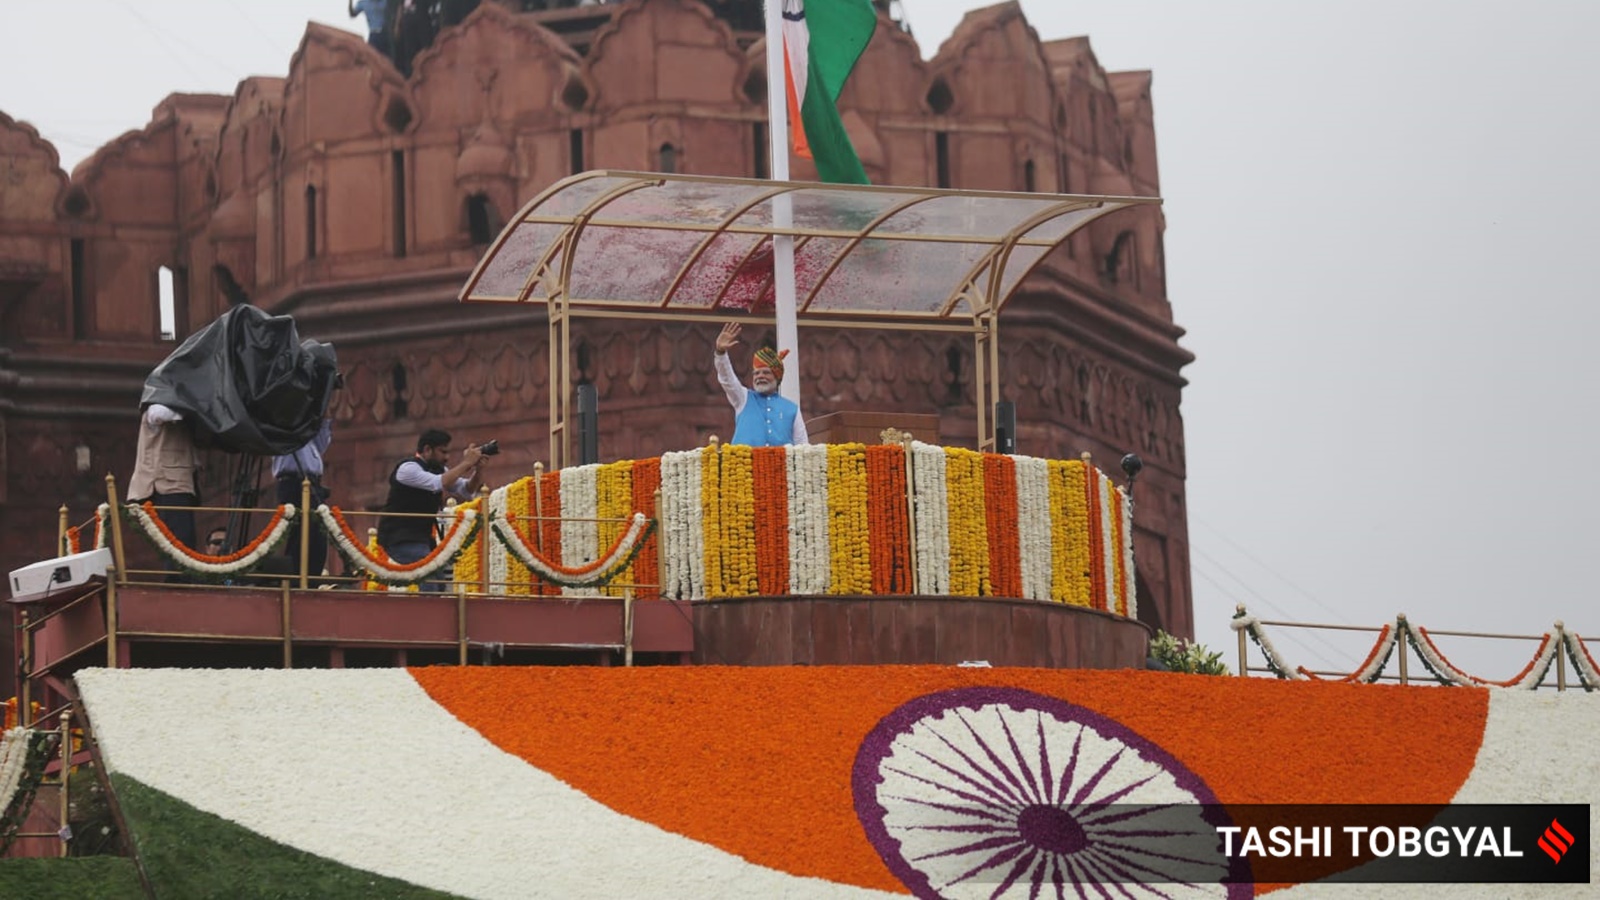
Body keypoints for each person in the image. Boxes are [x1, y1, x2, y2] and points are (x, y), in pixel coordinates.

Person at [376, 429, 486, 590]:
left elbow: (466, 490)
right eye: (443, 452)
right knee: (430, 577)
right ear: (427, 450)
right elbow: (438, 483)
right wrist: (467, 463)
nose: (446, 458)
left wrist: (479, 469)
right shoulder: (407, 469)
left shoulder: (439, 470)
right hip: (398, 538)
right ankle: (429, 614)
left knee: (440, 583)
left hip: (421, 538)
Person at [127, 403, 201, 577]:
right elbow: (162, 414)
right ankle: (177, 581)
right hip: (166, 484)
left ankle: (182, 579)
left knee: (184, 539)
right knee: (178, 539)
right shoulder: (156, 409)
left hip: (179, 483)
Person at [714, 322, 809, 447]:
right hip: (743, 465)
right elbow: (727, 379)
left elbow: (803, 446)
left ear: (777, 376)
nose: (760, 376)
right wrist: (721, 353)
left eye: (766, 372)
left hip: (780, 466)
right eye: (756, 373)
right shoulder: (743, 398)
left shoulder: (792, 409)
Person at [272, 417, 333, 578]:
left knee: (317, 535)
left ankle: (312, 577)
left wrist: (322, 418)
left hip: (312, 483)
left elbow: (321, 444)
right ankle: (297, 579)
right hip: (293, 482)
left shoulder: (307, 433)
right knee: (300, 534)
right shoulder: (286, 424)